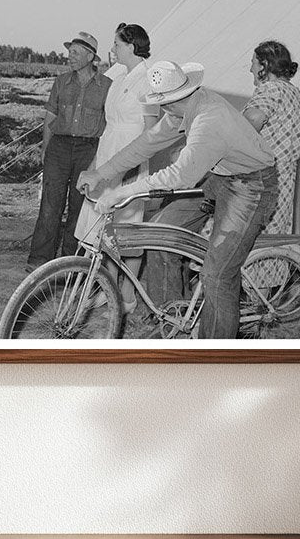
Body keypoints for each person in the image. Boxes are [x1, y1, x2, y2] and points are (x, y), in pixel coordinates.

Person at [78, 60, 278, 340]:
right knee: (161, 238)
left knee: (217, 275)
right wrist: (102, 173)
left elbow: (179, 176)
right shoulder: (182, 109)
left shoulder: (210, 118)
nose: (161, 108)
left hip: (251, 185)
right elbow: (146, 143)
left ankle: (214, 357)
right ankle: (172, 326)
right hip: (217, 176)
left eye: (163, 103)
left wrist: (122, 192)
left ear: (176, 98)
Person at [73, 23, 159, 308]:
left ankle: (128, 295)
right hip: (108, 152)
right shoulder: (119, 75)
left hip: (131, 159)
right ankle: (108, 287)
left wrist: (134, 167)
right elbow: (109, 124)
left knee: (128, 229)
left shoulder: (148, 79)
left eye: (117, 45)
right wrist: (97, 163)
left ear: (133, 47)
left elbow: (151, 132)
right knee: (104, 227)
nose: (112, 50)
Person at [26, 31, 111, 270]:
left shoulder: (106, 87)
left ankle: (69, 261)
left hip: (88, 149)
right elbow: (51, 115)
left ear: (90, 56)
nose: (69, 57)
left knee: (78, 205)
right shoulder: (61, 81)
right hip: (59, 147)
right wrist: (46, 147)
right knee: (50, 205)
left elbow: (110, 122)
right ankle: (39, 260)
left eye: (75, 53)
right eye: (69, 52)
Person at [241, 40, 300, 236]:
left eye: (253, 62)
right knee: (274, 236)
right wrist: (286, 152)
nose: (250, 69)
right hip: (285, 180)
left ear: (264, 65)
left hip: (259, 178)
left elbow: (251, 121)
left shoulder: (271, 89)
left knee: (240, 236)